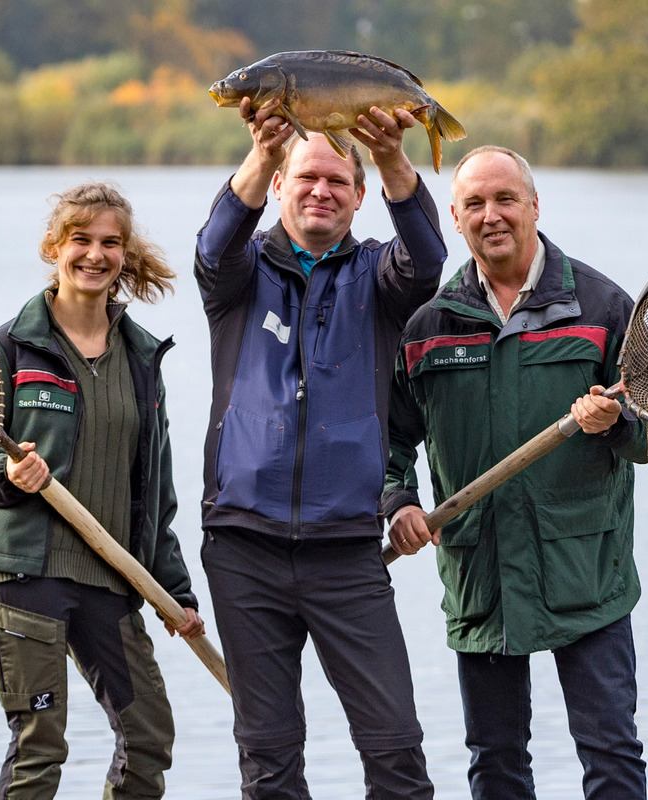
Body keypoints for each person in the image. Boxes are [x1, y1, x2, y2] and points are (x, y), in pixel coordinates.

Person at [193, 95, 447, 799]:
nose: (321, 191)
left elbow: (427, 259)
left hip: (348, 551)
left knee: (396, 753)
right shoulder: (238, 277)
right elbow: (212, 246)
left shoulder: (379, 278)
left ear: (360, 198)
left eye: (338, 182)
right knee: (270, 765)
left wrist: (396, 158)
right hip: (244, 547)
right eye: (305, 177)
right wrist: (262, 150)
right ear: (280, 187)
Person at [382, 145, 648, 799]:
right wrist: (400, 503)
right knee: (496, 763)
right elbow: (388, 443)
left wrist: (614, 424)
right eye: (474, 203)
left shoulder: (602, 307)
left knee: (611, 757)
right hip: (483, 577)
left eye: (505, 199)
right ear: (455, 215)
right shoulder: (428, 328)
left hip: (588, 575)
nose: (491, 214)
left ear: (535, 205)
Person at [0, 182, 205, 800]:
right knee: (41, 744)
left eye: (110, 243)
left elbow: (154, 489)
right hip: (21, 572)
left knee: (149, 734)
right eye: (81, 241)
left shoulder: (141, 356)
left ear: (125, 254)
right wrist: (9, 478)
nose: (95, 255)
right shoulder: (11, 345)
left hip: (110, 574)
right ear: (54, 247)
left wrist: (174, 592)